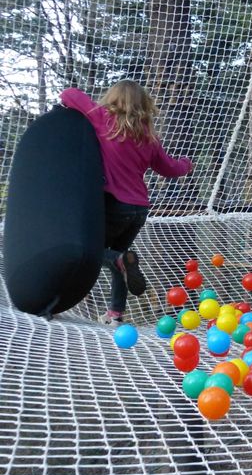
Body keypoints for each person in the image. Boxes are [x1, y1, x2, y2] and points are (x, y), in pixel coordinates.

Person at [60, 80, 192, 326]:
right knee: (119, 261)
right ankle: (116, 314)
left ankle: (120, 261)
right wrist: (187, 163)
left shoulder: (102, 118)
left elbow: (68, 94)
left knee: (88, 250)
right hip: (139, 209)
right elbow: (169, 168)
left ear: (113, 98)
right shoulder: (148, 136)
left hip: (114, 205)